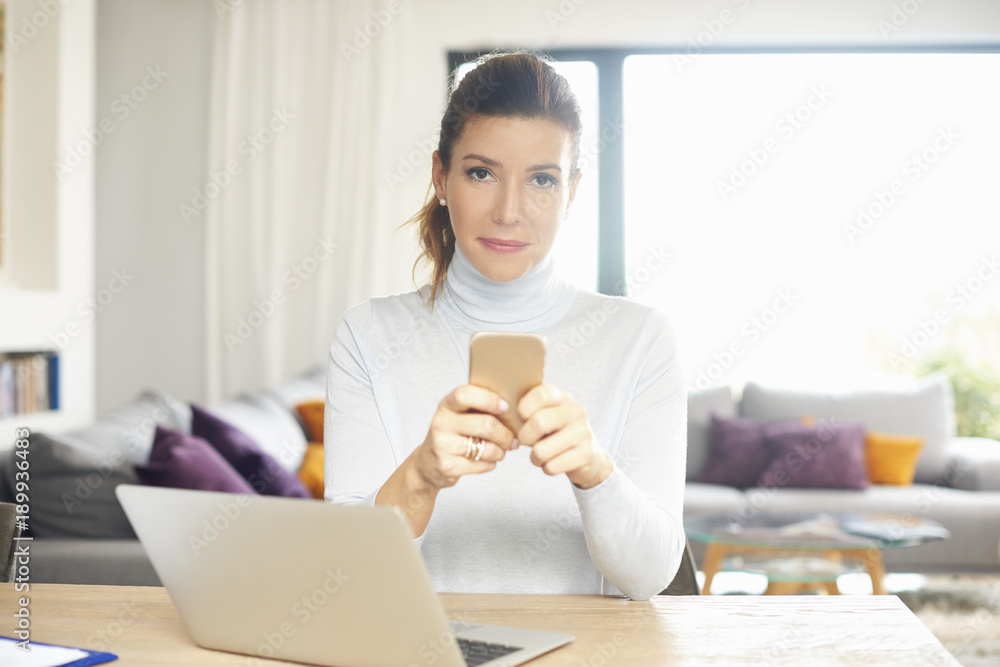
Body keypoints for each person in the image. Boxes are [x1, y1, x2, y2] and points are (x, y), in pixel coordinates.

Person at [325, 52, 686, 601]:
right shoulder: (367, 334)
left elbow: (651, 578)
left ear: (572, 191)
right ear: (440, 178)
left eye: (542, 179)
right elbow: (347, 579)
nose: (510, 211)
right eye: (481, 172)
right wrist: (421, 474)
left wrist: (594, 470)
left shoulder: (641, 338)